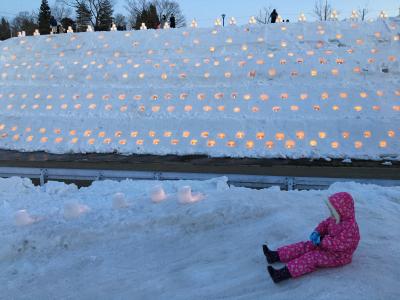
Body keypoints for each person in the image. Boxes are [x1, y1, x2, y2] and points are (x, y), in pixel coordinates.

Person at [263, 192, 360, 283]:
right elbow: (325, 224)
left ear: (342, 211)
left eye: (333, 211)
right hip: (325, 245)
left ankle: (281, 274)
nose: (331, 213)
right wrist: (317, 232)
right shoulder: (335, 218)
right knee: (305, 246)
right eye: (331, 210)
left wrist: (322, 240)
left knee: (312, 257)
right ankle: (275, 255)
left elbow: (339, 244)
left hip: (338, 256)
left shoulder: (350, 228)